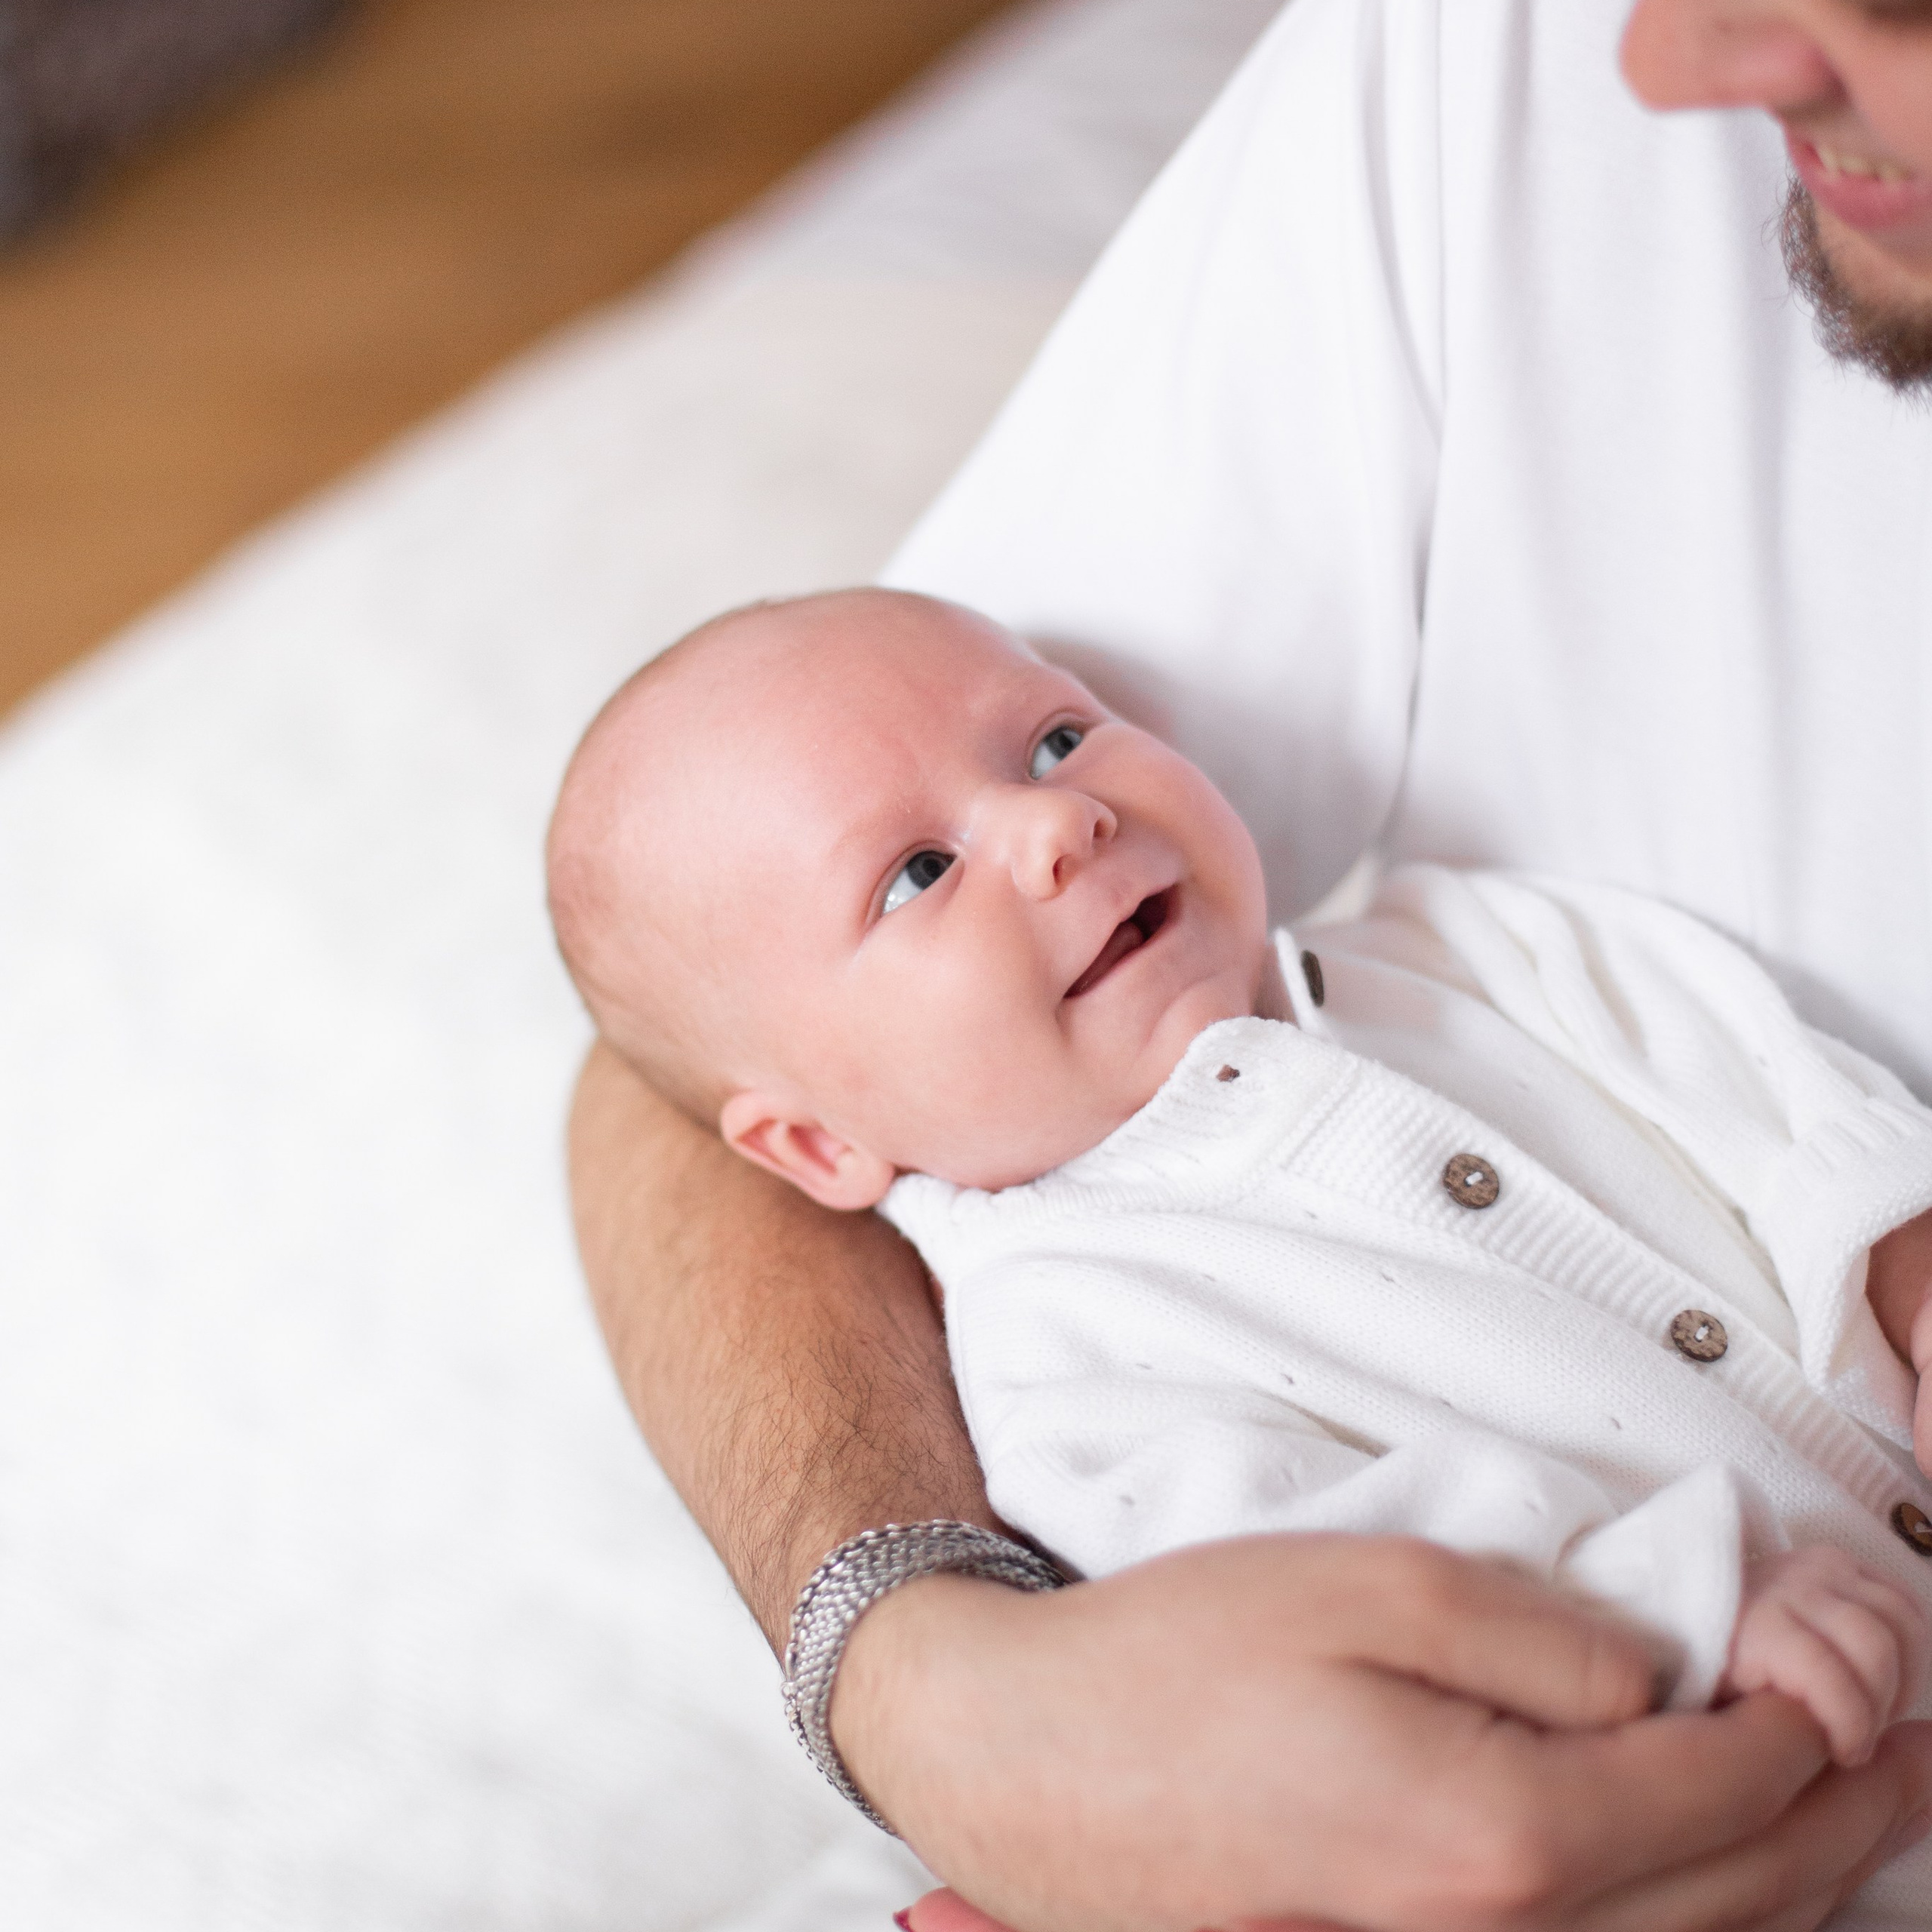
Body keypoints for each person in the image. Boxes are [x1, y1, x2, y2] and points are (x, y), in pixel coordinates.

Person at [565, 2, 1932, 1927]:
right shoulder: (1054, 1351)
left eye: (1052, 738)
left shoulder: (1468, 950)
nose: (1053, 819)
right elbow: (1317, 1585)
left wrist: (1898, 1259)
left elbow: (1765, 1093)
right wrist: (1680, 1605)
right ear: (813, 1143)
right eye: (918, 872)